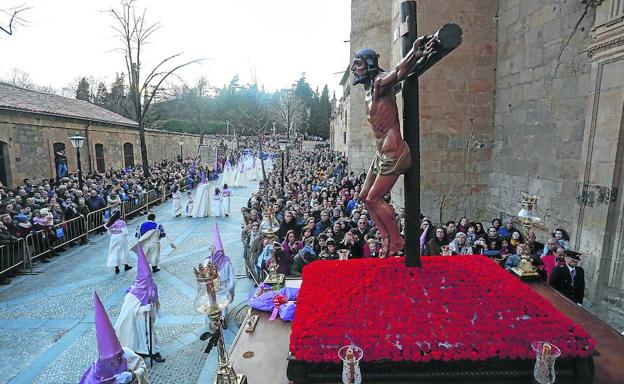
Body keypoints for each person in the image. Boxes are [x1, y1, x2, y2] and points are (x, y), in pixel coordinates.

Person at [350, 38, 435, 257]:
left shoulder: (379, 82)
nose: (354, 68)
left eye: (358, 64)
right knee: (363, 197)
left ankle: (396, 240)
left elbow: (398, 73)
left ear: (369, 65)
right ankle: (385, 236)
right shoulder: (369, 91)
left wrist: (414, 54)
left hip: (394, 152)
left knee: (373, 199)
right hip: (380, 153)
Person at [80, 292, 149, 384]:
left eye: (119, 357)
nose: (116, 363)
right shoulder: (93, 375)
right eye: (111, 362)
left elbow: (142, 368)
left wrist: (133, 376)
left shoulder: (127, 353)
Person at [114, 245, 165, 363]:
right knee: (138, 336)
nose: (148, 278)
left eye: (149, 276)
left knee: (150, 334)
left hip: (147, 320)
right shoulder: (133, 292)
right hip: (137, 320)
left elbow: (155, 300)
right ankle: (140, 350)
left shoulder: (152, 286)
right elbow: (129, 310)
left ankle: (154, 351)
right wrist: (143, 309)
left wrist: (152, 307)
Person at [204, 221, 236, 328]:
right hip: (212, 288)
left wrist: (230, 287)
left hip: (224, 287)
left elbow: (232, 275)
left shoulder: (227, 262)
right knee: (211, 305)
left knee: (223, 305)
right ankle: (211, 321)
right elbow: (204, 275)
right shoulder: (208, 261)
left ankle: (222, 319)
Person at [104, 210, 132, 275]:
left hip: (113, 238)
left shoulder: (110, 223)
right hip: (121, 237)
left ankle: (116, 268)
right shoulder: (122, 222)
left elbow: (109, 233)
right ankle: (126, 265)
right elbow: (125, 232)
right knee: (123, 251)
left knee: (114, 252)